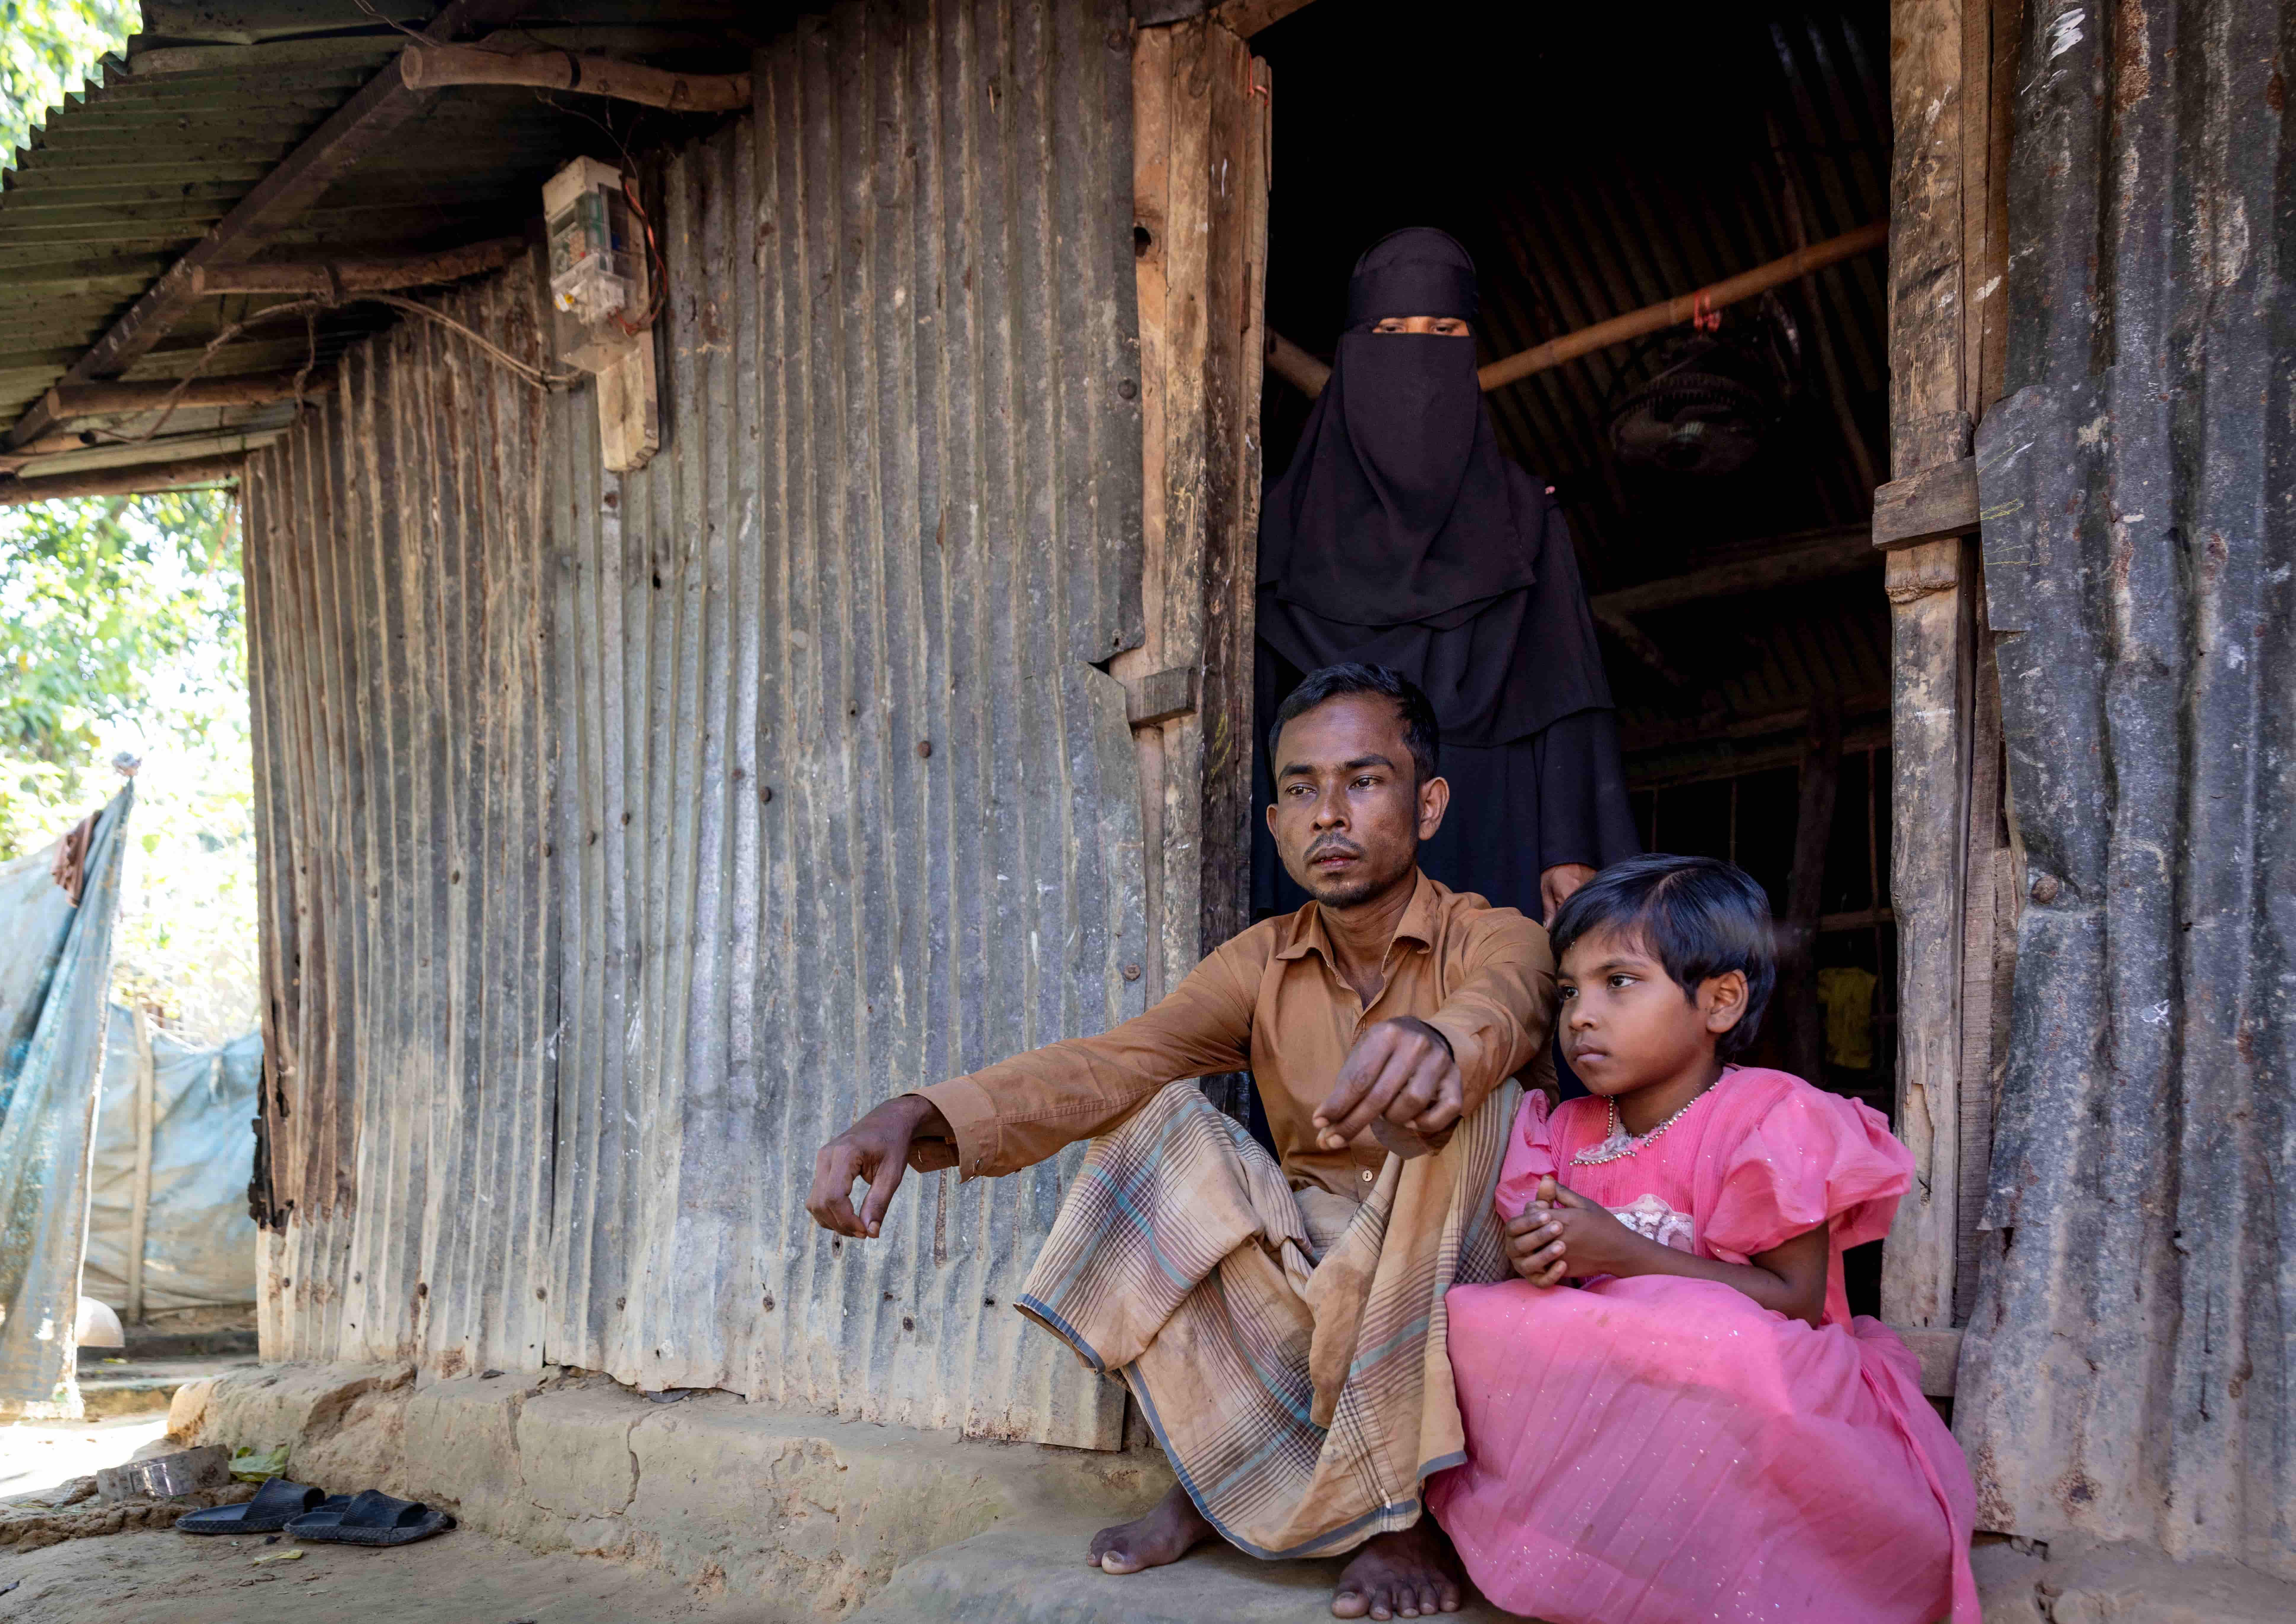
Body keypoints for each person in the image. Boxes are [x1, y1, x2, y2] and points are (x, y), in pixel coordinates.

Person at [806, 664, 1556, 1621]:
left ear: (1429, 805)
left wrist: (1441, 1047)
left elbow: (1508, 1002)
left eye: (1364, 782)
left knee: (1476, 1112)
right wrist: (917, 1113)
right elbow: (1116, 1063)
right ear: (1276, 823)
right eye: (1301, 790)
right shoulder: (1261, 962)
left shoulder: (1497, 938)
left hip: (1453, 1266)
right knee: (1154, 1122)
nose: (1329, 814)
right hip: (1314, 1273)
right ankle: (1221, 1475)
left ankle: (1398, 1512)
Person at [1425, 854, 1980, 1624]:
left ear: (1719, 1001)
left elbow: (1798, 1304)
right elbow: (1555, 1279)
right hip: (1629, 1411)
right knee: (1482, 1319)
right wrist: (1539, 1254)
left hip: (1765, 1391)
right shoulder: (1562, 1129)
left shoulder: (1771, 1116)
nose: (1581, 1015)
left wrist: (1625, 1254)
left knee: (1715, 1340)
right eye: (1570, 991)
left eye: (1619, 982)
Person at [1253, 226, 1636, 927]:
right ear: (1352, 350)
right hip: (1328, 831)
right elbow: (1254, 712)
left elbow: (1566, 689)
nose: (1416, 353)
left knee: (1486, 990)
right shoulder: (1279, 521)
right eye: (1390, 330)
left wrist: (1571, 846)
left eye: (1443, 330)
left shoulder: (1525, 516)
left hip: (1495, 819)